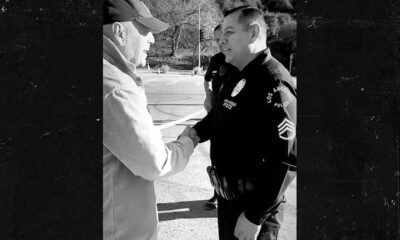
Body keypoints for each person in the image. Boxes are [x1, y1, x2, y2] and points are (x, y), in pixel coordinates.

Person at [190, 6, 297, 240]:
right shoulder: (236, 73)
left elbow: (285, 161)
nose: (221, 41)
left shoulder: (273, 82)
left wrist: (254, 216)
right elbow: (219, 116)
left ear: (253, 33)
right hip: (230, 199)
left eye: (229, 32)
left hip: (254, 209)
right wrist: (194, 133)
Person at [102, 0, 199, 239]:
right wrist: (186, 144)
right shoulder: (114, 86)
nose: (153, 40)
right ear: (119, 32)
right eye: (145, 31)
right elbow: (155, 163)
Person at [203, 24, 235, 210]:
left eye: (223, 37)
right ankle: (217, 194)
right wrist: (208, 97)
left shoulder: (240, 60)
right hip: (216, 116)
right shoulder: (215, 59)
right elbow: (206, 80)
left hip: (234, 117)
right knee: (216, 156)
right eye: (216, 39)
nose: (220, 42)